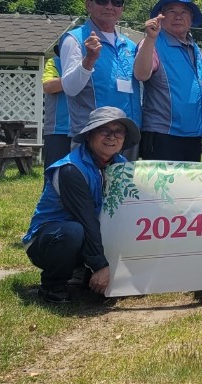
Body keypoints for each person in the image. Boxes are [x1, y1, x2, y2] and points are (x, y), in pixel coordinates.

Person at [22, 106, 140, 303]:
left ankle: (87, 273)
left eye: (118, 131)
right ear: (89, 136)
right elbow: (86, 220)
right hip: (51, 240)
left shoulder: (123, 168)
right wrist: (101, 265)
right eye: (104, 130)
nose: (112, 137)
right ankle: (53, 284)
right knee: (73, 231)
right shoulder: (71, 169)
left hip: (89, 238)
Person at [58, 0, 141, 155]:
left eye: (116, 2)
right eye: (102, 0)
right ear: (89, 5)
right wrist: (89, 60)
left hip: (125, 137)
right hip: (95, 137)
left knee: (123, 183)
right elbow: (70, 89)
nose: (110, 6)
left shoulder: (130, 46)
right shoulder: (75, 40)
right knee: (92, 182)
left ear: (122, 8)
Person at [134, 0, 202, 162]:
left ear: (191, 17)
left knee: (188, 189)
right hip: (163, 135)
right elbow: (141, 74)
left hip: (192, 136)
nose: (178, 16)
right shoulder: (153, 42)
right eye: (171, 11)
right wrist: (150, 38)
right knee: (160, 188)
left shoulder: (193, 46)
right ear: (160, 17)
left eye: (184, 12)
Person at [41, 50, 71, 168]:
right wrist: (77, 76)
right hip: (58, 130)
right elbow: (48, 86)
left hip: (85, 130)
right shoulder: (55, 62)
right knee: (54, 174)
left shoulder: (95, 65)